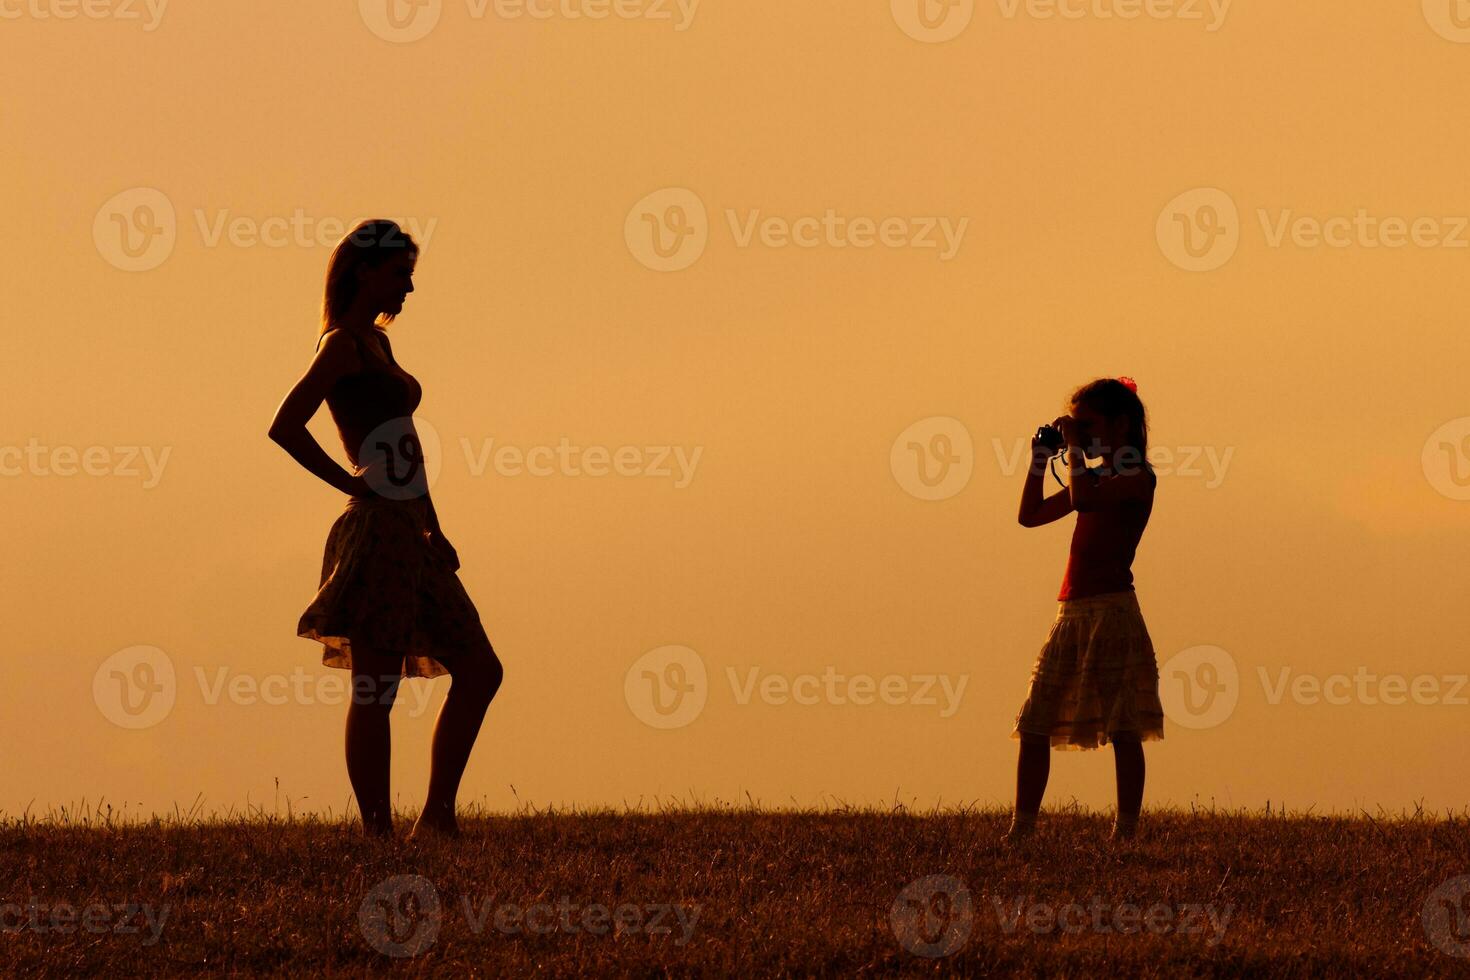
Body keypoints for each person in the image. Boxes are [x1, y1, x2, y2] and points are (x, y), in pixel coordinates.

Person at [267, 219, 503, 838]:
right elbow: (286, 425)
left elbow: (404, 445)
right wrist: (351, 484)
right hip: (373, 532)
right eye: (401, 273)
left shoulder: (379, 346)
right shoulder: (340, 344)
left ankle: (437, 817)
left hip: (410, 529)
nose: (408, 288)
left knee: (481, 670)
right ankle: (378, 832)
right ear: (364, 270)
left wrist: (435, 526)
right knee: (376, 689)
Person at [1007, 376, 1164, 843]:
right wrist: (1040, 463)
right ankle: (1022, 828)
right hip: (1072, 610)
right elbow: (1029, 515)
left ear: (1121, 425)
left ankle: (1126, 831)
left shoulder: (1137, 476)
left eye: (1089, 426)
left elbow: (1085, 500)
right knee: (1036, 719)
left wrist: (1073, 451)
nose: (1082, 435)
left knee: (1123, 723)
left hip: (1113, 610)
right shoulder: (1093, 475)